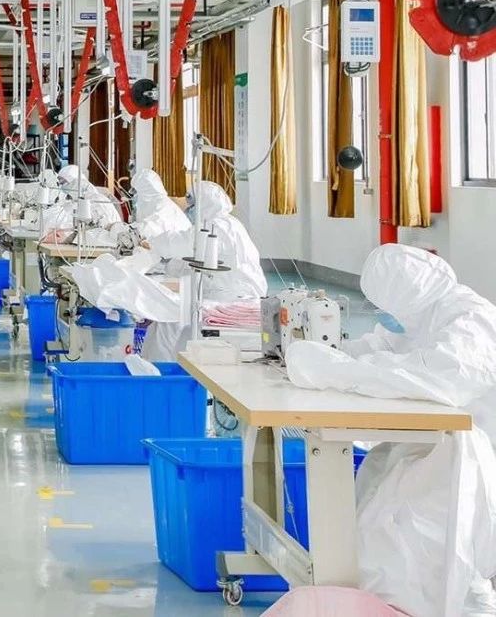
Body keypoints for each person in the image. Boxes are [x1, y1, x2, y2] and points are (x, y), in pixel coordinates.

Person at [286, 245, 496, 616]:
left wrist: (337, 371)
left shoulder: (471, 322)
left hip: (473, 455)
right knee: (375, 504)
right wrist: (334, 353)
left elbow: (433, 378)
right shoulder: (426, 315)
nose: (386, 314)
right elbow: (384, 347)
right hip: (434, 445)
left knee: (407, 539)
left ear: (406, 295)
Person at [142, 181, 266, 361]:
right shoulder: (228, 223)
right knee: (170, 317)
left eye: (192, 205)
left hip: (231, 299)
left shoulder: (218, 227)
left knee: (168, 321)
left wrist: (151, 244)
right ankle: (158, 366)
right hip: (230, 294)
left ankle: (159, 370)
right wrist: (166, 264)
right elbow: (191, 258)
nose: (189, 210)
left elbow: (184, 243)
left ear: (204, 204)